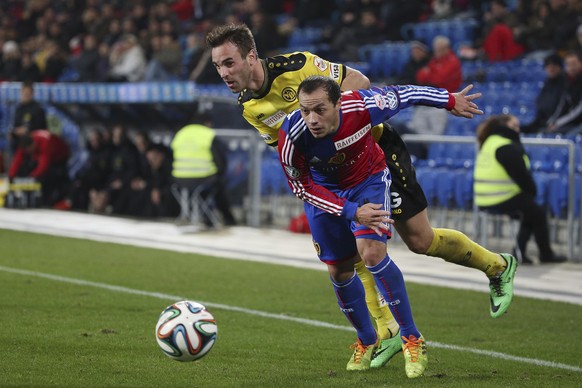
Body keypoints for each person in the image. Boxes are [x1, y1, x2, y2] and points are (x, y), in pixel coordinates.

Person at [207, 23, 517, 369]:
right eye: (218, 66)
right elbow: (290, 152)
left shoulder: (298, 65)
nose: (223, 72)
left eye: (229, 62)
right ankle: (385, 333)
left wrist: (347, 130)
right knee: (354, 255)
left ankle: (498, 266)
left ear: (251, 56)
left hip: (374, 153)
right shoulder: (249, 107)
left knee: (420, 240)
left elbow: (359, 83)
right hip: (333, 175)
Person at [278, 75, 435, 375]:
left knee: (372, 254)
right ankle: (367, 339)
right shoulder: (292, 136)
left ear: (338, 103)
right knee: (339, 271)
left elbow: (407, 93)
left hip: (368, 182)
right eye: (304, 110)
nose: (311, 119)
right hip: (325, 194)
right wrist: (351, 211)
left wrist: (451, 100)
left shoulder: (361, 106)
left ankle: (412, 338)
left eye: (320, 110)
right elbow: (302, 189)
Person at [474, 114, 567, 264]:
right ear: (505, 127)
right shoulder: (506, 146)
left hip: (484, 197)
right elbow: (522, 176)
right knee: (537, 212)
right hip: (500, 197)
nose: (518, 130)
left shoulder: (490, 141)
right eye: (514, 126)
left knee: (531, 211)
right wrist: (532, 191)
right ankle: (544, 254)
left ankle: (520, 253)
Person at [170, 114, 236, 227]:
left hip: (179, 180)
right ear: (207, 123)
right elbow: (219, 160)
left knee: (199, 193)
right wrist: (220, 174)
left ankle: (203, 217)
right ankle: (227, 218)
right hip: (203, 178)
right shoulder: (208, 134)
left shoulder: (180, 134)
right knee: (216, 188)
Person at [411, 35, 462, 136]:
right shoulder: (434, 61)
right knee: (416, 127)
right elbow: (420, 77)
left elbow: (439, 80)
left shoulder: (453, 61)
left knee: (435, 134)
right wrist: (433, 73)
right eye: (436, 50)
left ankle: (431, 150)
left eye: (440, 49)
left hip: (446, 101)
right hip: (431, 100)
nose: (437, 52)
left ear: (447, 49)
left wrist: (429, 73)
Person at [8, 129, 70, 206]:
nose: (28, 152)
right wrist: (11, 176)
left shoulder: (46, 142)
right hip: (44, 156)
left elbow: (44, 164)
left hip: (60, 157)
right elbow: (17, 159)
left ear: (33, 144)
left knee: (48, 176)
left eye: (29, 149)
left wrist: (32, 177)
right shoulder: (25, 143)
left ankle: (48, 201)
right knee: (27, 167)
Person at [521, 53, 567, 134]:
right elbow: (540, 110)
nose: (551, 67)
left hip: (558, 124)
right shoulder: (546, 84)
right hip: (543, 123)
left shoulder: (565, 84)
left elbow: (563, 108)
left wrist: (553, 123)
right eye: (548, 65)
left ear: (560, 67)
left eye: (554, 65)